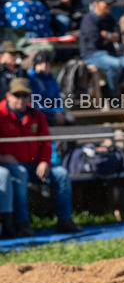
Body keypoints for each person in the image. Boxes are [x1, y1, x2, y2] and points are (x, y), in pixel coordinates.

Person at [0, 78, 82, 234]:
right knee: (20, 173)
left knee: (62, 174)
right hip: (10, 166)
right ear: (8, 95)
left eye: (25, 96)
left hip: (35, 165)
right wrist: (2, 158)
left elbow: (45, 142)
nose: (21, 99)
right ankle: (22, 223)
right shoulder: (1, 114)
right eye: (17, 95)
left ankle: (65, 220)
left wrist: (44, 162)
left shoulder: (36, 115)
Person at [79, 0, 124, 96]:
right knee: (115, 65)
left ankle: (109, 89)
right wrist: (111, 37)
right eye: (106, 3)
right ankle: (113, 95)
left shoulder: (109, 18)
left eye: (110, 4)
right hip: (92, 54)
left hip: (110, 53)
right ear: (96, 3)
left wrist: (107, 35)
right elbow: (96, 40)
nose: (109, 6)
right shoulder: (89, 19)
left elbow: (119, 37)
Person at [27, 52, 71, 126]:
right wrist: (53, 112)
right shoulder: (31, 79)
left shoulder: (52, 80)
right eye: (40, 64)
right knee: (50, 121)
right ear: (35, 66)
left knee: (70, 120)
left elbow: (58, 98)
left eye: (47, 64)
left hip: (54, 112)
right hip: (39, 112)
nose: (44, 66)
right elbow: (35, 103)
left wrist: (58, 111)